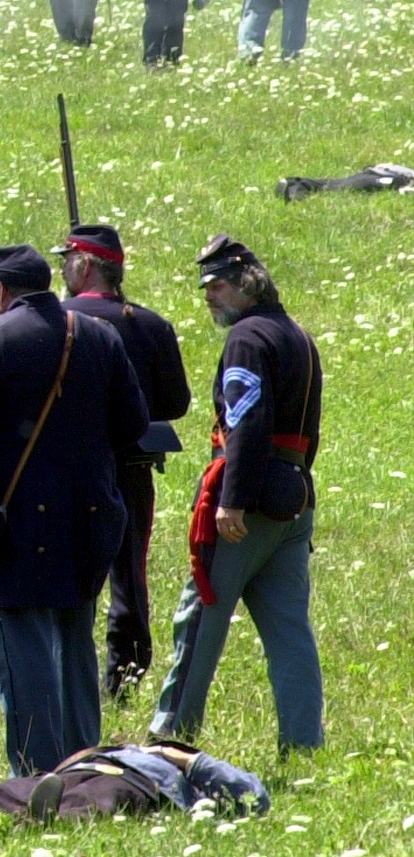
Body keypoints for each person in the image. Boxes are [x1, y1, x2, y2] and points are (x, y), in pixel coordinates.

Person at [0, 244, 147, 776]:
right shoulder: (100, 336)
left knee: (21, 653)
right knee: (75, 641)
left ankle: (37, 779)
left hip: (22, 516)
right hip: (92, 514)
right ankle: (88, 770)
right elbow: (133, 424)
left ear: (0, 290)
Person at [148, 235, 325, 754]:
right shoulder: (300, 336)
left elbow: (248, 421)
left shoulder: (247, 339)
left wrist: (233, 498)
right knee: (290, 633)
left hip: (246, 505)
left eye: (217, 284)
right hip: (292, 497)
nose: (208, 295)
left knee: (200, 617)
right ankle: (303, 743)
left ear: (246, 284)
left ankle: (171, 737)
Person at [54, 223, 193, 697]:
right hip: (130, 465)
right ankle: (124, 673)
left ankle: (63, 668)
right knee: (127, 573)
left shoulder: (55, 319)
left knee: (65, 566)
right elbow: (175, 403)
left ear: (85, 265)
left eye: (67, 260)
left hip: (66, 467)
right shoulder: (150, 325)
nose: (62, 269)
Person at [0, 741, 269, 832]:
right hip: (67, 773)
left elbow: (257, 798)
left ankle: (41, 824)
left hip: (134, 783)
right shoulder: (119, 745)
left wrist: (181, 757)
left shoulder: (178, 771)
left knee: (89, 801)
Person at [277, 162, 414, 200]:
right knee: (342, 187)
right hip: (389, 176)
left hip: (386, 174)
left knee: (335, 185)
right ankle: (296, 184)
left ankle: (296, 184)